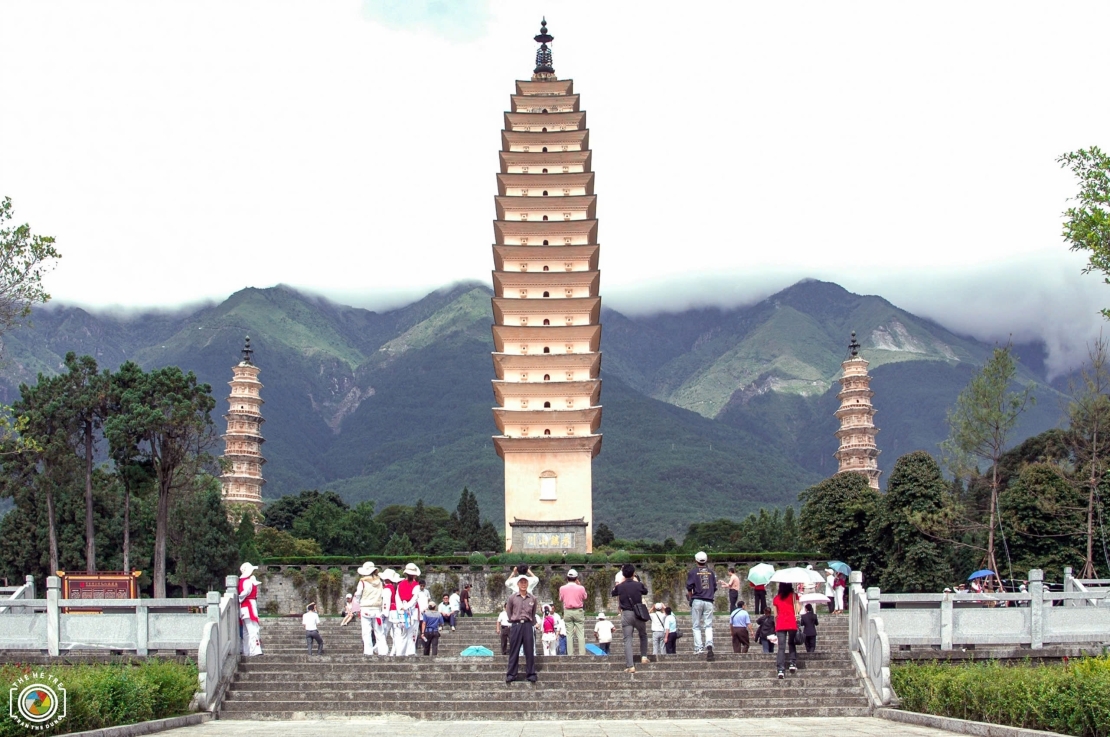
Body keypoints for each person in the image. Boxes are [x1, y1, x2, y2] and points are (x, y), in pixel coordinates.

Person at [612, 563, 650, 673]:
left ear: (623, 574)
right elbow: (645, 591)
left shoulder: (620, 586)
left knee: (628, 639)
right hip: (638, 613)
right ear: (634, 573)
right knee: (643, 634)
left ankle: (630, 665)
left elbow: (613, 592)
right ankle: (643, 656)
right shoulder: (638, 585)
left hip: (626, 614)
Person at [504, 574, 538, 684]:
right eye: (521, 582)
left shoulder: (532, 598)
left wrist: (531, 622)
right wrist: (514, 621)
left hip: (528, 625)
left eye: (525, 582)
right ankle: (511, 674)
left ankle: (531, 674)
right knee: (514, 650)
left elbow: (533, 613)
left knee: (529, 650)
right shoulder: (512, 598)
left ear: (528, 584)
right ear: (518, 584)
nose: (523, 584)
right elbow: (509, 612)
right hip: (516, 625)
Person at [686, 551, 717, 661]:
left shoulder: (693, 572)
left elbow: (689, 587)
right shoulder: (711, 573)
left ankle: (698, 647)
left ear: (696, 560)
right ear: (706, 560)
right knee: (708, 625)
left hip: (697, 599)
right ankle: (709, 644)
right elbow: (715, 587)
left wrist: (690, 598)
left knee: (696, 625)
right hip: (709, 601)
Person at [354, 561, 388, 656]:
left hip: (366, 607)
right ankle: (383, 651)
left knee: (366, 631)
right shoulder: (380, 582)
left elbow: (358, 593)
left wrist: (358, 601)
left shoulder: (363, 582)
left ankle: (368, 651)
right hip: (377, 608)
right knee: (379, 631)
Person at [391, 563, 422, 656]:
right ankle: (410, 652)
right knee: (412, 633)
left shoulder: (400, 584)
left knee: (403, 633)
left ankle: (400, 652)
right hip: (412, 611)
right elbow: (415, 598)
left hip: (402, 610)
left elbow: (397, 598)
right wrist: (408, 607)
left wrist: (401, 608)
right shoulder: (416, 585)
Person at [772, 582, 800, 678]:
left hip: (780, 623)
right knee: (791, 643)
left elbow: (775, 615)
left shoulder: (776, 598)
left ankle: (780, 669)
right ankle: (792, 663)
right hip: (791, 622)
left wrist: (776, 624)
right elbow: (798, 609)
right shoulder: (794, 596)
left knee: (781, 647)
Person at [558, 569, 588, 655]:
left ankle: (570, 654)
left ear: (567, 578)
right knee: (580, 633)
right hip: (578, 610)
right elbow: (585, 597)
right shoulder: (581, 588)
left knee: (569, 634)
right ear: (576, 578)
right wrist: (579, 585)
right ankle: (582, 653)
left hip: (567, 611)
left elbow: (561, 599)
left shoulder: (562, 588)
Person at [238, 562, 263, 657]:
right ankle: (255, 650)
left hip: (245, 607)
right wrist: (240, 598)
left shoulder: (243, 581)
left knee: (246, 631)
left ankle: (247, 650)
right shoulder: (247, 581)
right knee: (253, 629)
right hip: (249, 605)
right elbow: (245, 592)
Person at [380, 568, 400, 655]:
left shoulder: (387, 588)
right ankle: (395, 651)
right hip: (396, 611)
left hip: (389, 612)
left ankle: (383, 649)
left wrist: (384, 613)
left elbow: (386, 602)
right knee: (396, 632)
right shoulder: (395, 587)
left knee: (384, 631)